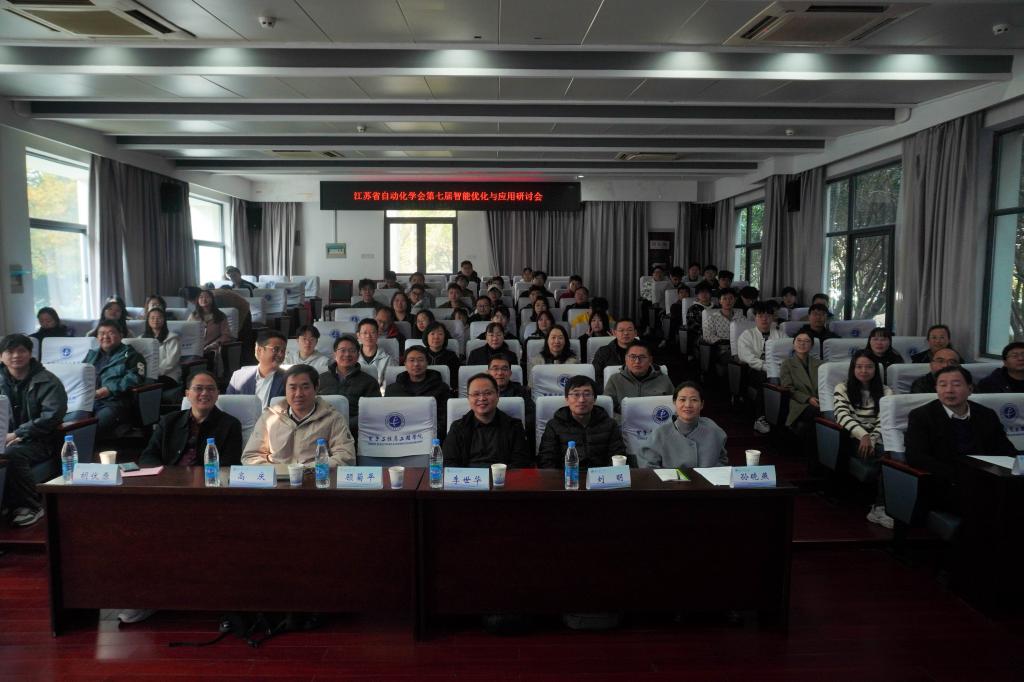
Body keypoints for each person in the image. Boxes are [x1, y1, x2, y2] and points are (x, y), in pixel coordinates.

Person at [905, 366, 1017, 514]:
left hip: (988, 478)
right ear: (936, 389)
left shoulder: (986, 414)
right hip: (946, 482)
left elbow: (1005, 448)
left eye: (956, 384)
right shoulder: (922, 416)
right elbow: (916, 457)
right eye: (942, 385)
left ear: (970, 389)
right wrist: (959, 476)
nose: (949, 390)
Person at [0, 334, 68, 527]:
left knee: (13, 453)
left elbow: (52, 416)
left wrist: (19, 434)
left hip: (41, 440)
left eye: (21, 350)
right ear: (1, 357)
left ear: (30, 354)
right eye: (10, 351)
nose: (16, 355)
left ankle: (31, 506)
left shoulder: (48, 381)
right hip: (5, 437)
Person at [242, 364, 356, 473]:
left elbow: (345, 457)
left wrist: (307, 470)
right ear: (285, 389)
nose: (298, 394)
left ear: (316, 388)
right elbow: (251, 456)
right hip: (276, 480)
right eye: (292, 388)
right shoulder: (269, 417)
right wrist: (276, 472)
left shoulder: (332, 418)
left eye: (305, 387)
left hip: (315, 479)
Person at [832, 351, 894, 528]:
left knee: (892, 458)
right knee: (887, 459)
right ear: (853, 369)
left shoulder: (886, 391)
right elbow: (842, 416)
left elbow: (884, 420)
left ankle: (888, 507)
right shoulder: (842, 388)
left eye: (869, 367)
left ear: (876, 369)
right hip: (853, 439)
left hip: (878, 439)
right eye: (859, 367)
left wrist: (872, 438)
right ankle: (880, 508)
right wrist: (864, 435)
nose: (864, 371)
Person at [140, 370, 242, 467]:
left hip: (208, 478)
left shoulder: (230, 425)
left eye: (210, 389)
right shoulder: (168, 421)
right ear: (187, 394)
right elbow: (148, 456)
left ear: (217, 394)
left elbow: (229, 464)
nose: (204, 393)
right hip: (169, 477)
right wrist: (164, 474)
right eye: (198, 388)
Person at [442, 373, 532, 468]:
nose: (482, 398)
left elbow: (521, 463)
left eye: (488, 393)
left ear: (497, 395)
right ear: (468, 398)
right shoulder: (458, 428)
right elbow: (448, 463)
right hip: (468, 477)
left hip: (503, 476)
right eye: (476, 394)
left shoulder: (514, 427)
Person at [538, 375, 626, 469]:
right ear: (567, 399)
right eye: (576, 394)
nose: (581, 400)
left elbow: (618, 457)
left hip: (602, 476)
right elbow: (546, 461)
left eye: (587, 394)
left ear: (594, 399)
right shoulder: (554, 426)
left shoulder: (609, 425)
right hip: (567, 476)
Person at [638, 381, 728, 469]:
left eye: (694, 400)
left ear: (702, 404)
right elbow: (648, 468)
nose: (688, 405)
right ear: (674, 402)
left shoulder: (713, 429)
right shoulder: (659, 434)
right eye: (682, 400)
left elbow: (722, 460)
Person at [84, 320, 147, 436]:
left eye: (111, 333)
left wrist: (109, 389)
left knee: (90, 430)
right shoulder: (91, 355)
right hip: (88, 401)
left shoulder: (132, 356)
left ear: (121, 335)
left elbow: (135, 378)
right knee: (70, 425)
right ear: (97, 337)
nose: (105, 337)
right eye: (101, 333)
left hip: (115, 403)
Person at [738, 302, 786, 433]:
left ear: (772, 318)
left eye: (768, 316)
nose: (764, 319)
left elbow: (787, 354)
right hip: (755, 370)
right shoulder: (747, 335)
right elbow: (747, 357)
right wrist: (766, 367)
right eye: (760, 316)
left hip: (778, 370)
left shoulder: (781, 335)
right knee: (764, 378)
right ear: (755, 318)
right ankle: (760, 418)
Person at [317, 334, 380, 431]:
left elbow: (372, 413)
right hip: (322, 428)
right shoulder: (320, 379)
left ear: (358, 355)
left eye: (352, 351)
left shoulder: (369, 382)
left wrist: (344, 425)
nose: (347, 354)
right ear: (334, 354)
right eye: (342, 350)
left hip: (354, 430)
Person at [384, 345, 452, 430]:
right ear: (405, 364)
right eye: (411, 360)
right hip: (401, 433)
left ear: (427, 363)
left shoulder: (441, 388)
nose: (416, 364)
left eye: (420, 360)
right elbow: (387, 417)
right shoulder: (392, 390)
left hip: (431, 432)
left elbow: (444, 419)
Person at [603, 340, 674, 412]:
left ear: (650, 360)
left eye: (642, 357)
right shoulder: (615, 380)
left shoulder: (664, 379)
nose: (637, 361)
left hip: (655, 418)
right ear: (626, 359)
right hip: (623, 419)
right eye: (633, 357)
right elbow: (606, 410)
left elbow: (674, 406)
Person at [226, 329, 287, 408]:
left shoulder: (288, 378)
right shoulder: (239, 377)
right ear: (259, 350)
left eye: (283, 351)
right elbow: (228, 406)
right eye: (276, 349)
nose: (281, 355)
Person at [780, 330, 822, 433]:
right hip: (799, 403)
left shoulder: (820, 364)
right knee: (816, 411)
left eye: (806, 341)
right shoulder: (787, 364)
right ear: (793, 344)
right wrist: (808, 399)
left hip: (819, 400)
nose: (802, 344)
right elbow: (789, 388)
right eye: (799, 340)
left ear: (811, 346)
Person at [487, 355, 535, 440]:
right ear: (488, 373)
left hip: (515, 435)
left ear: (510, 373)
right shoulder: (480, 393)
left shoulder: (521, 391)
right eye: (495, 369)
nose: (500, 373)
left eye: (504, 369)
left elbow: (531, 417)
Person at [591, 318, 638, 392]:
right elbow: (595, 376)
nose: (626, 333)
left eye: (629, 330)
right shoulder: (603, 352)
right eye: (621, 330)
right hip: (611, 391)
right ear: (614, 332)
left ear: (635, 333)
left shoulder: (646, 351)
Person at [141, 307, 181, 393]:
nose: (155, 320)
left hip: (169, 375)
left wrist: (154, 373)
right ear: (148, 320)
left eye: (159, 317)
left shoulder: (172, 338)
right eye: (152, 318)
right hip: (146, 374)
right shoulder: (141, 339)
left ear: (164, 320)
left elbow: (171, 362)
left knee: (149, 385)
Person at [702, 288, 739, 373]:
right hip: (722, 350)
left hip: (740, 348)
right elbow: (707, 335)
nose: (728, 301)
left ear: (735, 300)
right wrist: (722, 341)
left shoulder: (741, 318)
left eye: (731, 298)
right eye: (724, 298)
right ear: (720, 301)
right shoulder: (712, 318)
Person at [188, 289, 232, 357]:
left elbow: (226, 335)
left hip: (212, 349)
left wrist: (214, 344)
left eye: (207, 297)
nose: (204, 299)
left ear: (212, 299)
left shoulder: (220, 316)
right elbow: (187, 333)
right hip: (194, 349)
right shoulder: (193, 316)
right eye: (201, 297)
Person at [421, 321, 461, 390]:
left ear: (445, 337)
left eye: (440, 334)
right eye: (432, 334)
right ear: (426, 336)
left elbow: (456, 380)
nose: (436, 337)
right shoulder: (420, 354)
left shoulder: (452, 356)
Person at [356, 317, 392, 387]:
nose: (368, 336)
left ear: (378, 334)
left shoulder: (387, 359)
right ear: (358, 335)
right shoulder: (352, 357)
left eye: (372, 332)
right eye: (365, 333)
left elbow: (388, 384)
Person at [685, 281, 714, 358]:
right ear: (697, 295)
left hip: (715, 333)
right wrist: (706, 332)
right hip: (699, 334)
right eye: (701, 292)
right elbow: (692, 325)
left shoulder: (716, 308)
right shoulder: (692, 309)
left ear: (710, 294)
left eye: (706, 292)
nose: (704, 294)